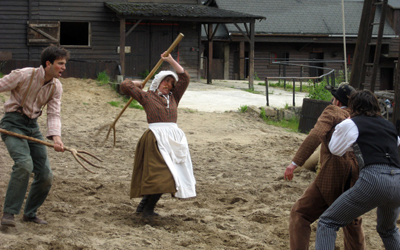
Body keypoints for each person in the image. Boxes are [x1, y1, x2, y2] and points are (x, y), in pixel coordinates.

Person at [315, 90, 400, 250]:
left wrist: (345, 125)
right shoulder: (389, 126)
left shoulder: (352, 123)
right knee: (388, 229)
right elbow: (395, 144)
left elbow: (335, 150)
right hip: (397, 181)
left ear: (353, 106)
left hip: (374, 179)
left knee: (328, 222)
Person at [284, 84, 365, 250]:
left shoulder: (332, 111)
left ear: (336, 101)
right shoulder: (360, 117)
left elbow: (316, 134)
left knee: (300, 214)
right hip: (356, 172)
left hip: (333, 171)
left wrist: (295, 163)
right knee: (352, 221)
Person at [120, 52, 196, 218]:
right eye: (165, 81)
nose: (168, 84)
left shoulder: (174, 97)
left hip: (173, 140)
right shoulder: (147, 97)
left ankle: (142, 208)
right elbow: (124, 86)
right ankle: (147, 209)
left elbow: (185, 78)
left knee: (169, 174)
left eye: (171, 82)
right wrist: (137, 84)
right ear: (157, 82)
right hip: (155, 139)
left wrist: (170, 61)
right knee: (162, 175)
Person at [0, 45, 70, 227]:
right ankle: (9, 214)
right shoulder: (23, 75)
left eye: (64, 63)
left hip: (32, 126)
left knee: (46, 175)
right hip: (12, 123)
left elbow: (54, 114)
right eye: (60, 64)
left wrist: (57, 138)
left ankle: (30, 214)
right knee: (24, 165)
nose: (64, 67)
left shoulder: (56, 87)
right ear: (48, 63)